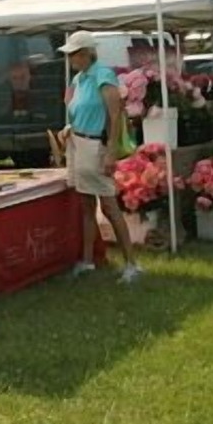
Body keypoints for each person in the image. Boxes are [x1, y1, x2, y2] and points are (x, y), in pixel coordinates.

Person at [57, 31, 141, 284]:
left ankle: (131, 265)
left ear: (86, 54)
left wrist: (111, 152)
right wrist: (69, 129)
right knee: (86, 205)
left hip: (96, 146)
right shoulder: (80, 79)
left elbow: (114, 115)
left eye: (73, 53)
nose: (70, 58)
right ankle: (87, 260)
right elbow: (74, 110)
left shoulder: (103, 76)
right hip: (78, 143)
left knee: (109, 206)